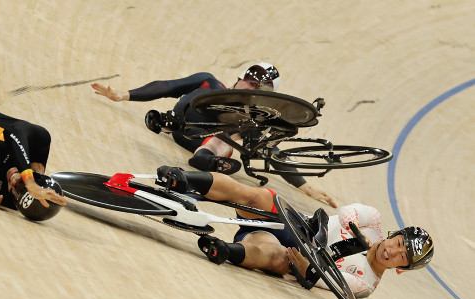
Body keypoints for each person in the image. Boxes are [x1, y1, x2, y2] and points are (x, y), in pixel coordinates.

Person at [156, 166, 434, 299]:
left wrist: (309, 270)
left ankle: (224, 250)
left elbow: (325, 281)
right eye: (398, 242)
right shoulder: (372, 222)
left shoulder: (365, 284)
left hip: (283, 247)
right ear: (393, 234)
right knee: (257, 195)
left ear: (402, 269)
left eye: (401, 257)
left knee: (279, 259)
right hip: (293, 223)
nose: (393, 251)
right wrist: (353, 237)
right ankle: (182, 178)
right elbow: (350, 211)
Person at [91, 62, 337, 208]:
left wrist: (306, 188)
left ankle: (208, 160)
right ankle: (212, 161)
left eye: (258, 87)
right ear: (240, 77)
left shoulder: (249, 118)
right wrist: (122, 94)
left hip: (207, 145)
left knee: (241, 133)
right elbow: (167, 86)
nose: (250, 87)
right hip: (181, 127)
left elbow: (271, 150)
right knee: (231, 132)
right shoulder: (209, 83)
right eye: (250, 80)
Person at [0, 102, 66, 217]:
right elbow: (14, 130)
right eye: (21, 181)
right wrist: (29, 181)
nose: (13, 181)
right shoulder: (38, 143)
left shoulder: (4, 198)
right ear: (38, 174)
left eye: (13, 189)